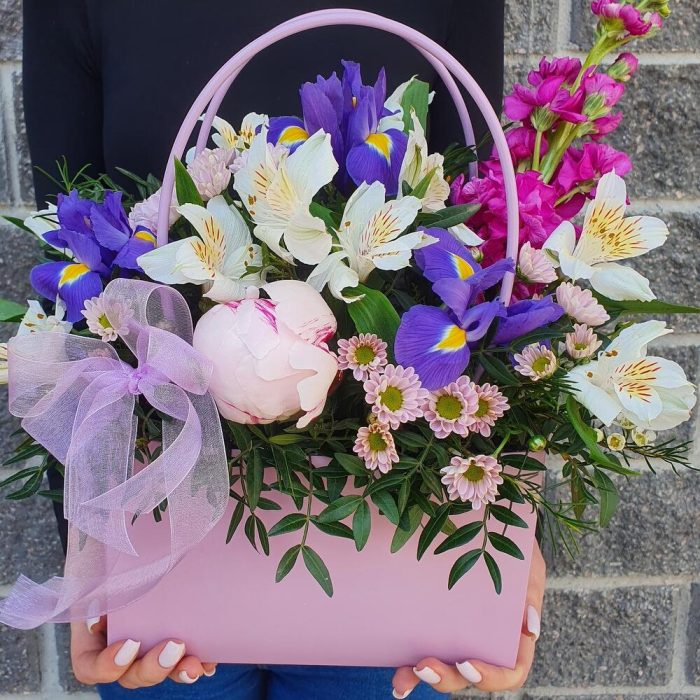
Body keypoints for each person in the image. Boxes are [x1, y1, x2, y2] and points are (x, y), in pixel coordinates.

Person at [22, 1, 545, 697]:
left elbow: (484, 232)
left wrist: (516, 533)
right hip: (162, 540)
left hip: (393, 532)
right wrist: (89, 547)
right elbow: (74, 276)